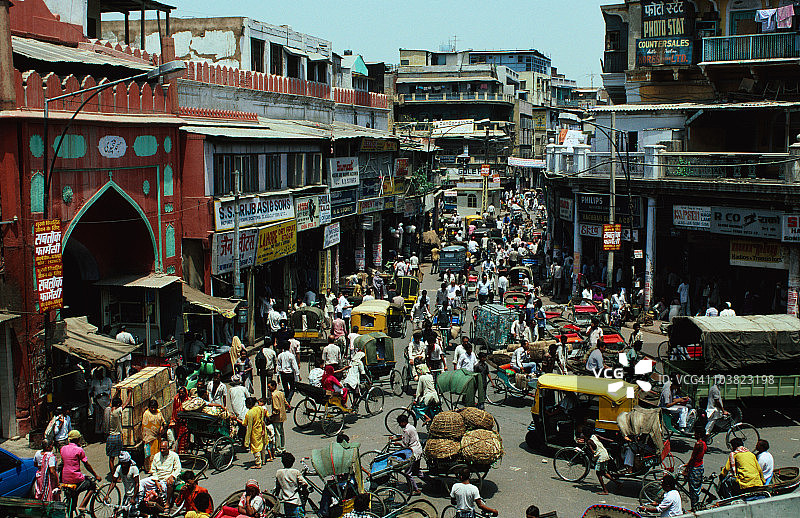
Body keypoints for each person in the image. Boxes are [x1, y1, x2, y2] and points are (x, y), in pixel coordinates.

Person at [60, 430, 100, 512]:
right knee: (92, 484)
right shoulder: (79, 450)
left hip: (65, 478)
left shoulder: (63, 449)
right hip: (75, 477)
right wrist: (96, 475)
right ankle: (83, 505)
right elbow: (86, 465)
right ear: (77, 439)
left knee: (74, 493)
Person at [141, 439, 181, 508]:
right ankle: (141, 501)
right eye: (161, 449)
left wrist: (172, 476)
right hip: (157, 478)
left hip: (167, 478)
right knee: (142, 482)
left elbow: (178, 469)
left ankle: (167, 503)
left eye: (164, 449)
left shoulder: (174, 456)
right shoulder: (157, 456)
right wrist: (156, 481)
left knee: (169, 483)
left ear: (168, 448)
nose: (162, 451)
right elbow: (153, 470)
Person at [392, 413, 424, 496]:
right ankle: (431, 481)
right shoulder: (411, 427)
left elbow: (405, 445)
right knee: (416, 471)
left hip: (412, 452)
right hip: (418, 450)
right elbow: (405, 437)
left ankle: (415, 490)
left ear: (403, 422)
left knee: (407, 473)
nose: (400, 425)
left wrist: (398, 444)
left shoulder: (406, 431)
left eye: (400, 423)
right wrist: (396, 439)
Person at [275, 452, 308, 518]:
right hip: (295, 501)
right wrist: (303, 491)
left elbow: (277, 487)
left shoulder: (279, 472)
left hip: (286, 501)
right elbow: (305, 483)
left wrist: (276, 495)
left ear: (282, 462)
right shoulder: (295, 472)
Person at [584, 427, 615, 495]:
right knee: (604, 472)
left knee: (598, 473)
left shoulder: (589, 441)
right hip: (605, 454)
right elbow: (605, 439)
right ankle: (617, 483)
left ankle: (605, 490)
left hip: (601, 457)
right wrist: (612, 440)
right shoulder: (595, 436)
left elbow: (592, 452)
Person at [105, 393, 131, 475]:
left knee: (111, 459)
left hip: (110, 437)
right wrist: (130, 393)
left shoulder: (108, 410)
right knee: (120, 456)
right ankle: (119, 475)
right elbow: (126, 403)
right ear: (118, 404)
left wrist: (117, 392)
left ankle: (113, 475)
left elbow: (111, 401)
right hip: (117, 436)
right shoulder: (118, 411)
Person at [684, 428, 707, 510]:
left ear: (699, 434)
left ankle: (694, 507)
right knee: (697, 487)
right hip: (700, 467)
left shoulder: (698, 444)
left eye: (696, 433)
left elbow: (693, 457)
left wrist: (687, 468)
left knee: (693, 490)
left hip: (695, 468)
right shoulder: (704, 443)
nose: (694, 435)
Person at [141, 398, 166, 471]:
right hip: (148, 438)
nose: (153, 409)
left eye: (155, 407)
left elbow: (163, 422)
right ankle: (149, 468)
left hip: (157, 437)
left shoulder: (159, 412)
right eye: (152, 407)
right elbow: (144, 426)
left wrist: (162, 427)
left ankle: (156, 467)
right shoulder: (146, 414)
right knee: (149, 454)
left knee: (156, 453)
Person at [243, 397, 267, 468]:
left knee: (255, 448)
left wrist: (236, 419)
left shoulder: (249, 413)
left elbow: (244, 424)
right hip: (261, 429)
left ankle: (258, 463)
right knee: (262, 445)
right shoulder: (259, 409)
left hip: (254, 432)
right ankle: (263, 460)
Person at [90, 368, 113, 436]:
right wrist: (94, 396)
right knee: (98, 418)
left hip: (106, 402)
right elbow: (91, 391)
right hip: (97, 402)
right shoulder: (94, 381)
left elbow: (111, 390)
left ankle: (106, 431)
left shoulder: (107, 380)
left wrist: (103, 394)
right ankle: (98, 432)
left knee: (106, 417)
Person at [276, 341, 300, 405]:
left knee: (285, 388)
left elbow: (278, 366)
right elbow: (295, 366)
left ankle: (287, 401)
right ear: (289, 347)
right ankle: (288, 400)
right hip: (290, 374)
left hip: (283, 374)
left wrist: (278, 375)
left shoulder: (280, 355)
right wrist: (298, 374)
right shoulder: (291, 355)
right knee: (292, 388)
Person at [268, 379, 288, 454]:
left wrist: (271, 416)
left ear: (274, 386)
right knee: (281, 432)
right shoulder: (281, 393)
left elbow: (276, 408)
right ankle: (282, 447)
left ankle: (278, 449)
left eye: (269, 387)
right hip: (282, 416)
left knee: (277, 433)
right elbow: (285, 402)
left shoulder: (274, 395)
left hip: (277, 417)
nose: (268, 389)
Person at [171, 386, 191, 453]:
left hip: (185, 421)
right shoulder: (176, 399)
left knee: (184, 437)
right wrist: (173, 419)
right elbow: (174, 409)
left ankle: (183, 450)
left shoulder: (188, 400)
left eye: (183, 393)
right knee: (178, 436)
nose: (181, 395)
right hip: (178, 421)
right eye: (180, 393)